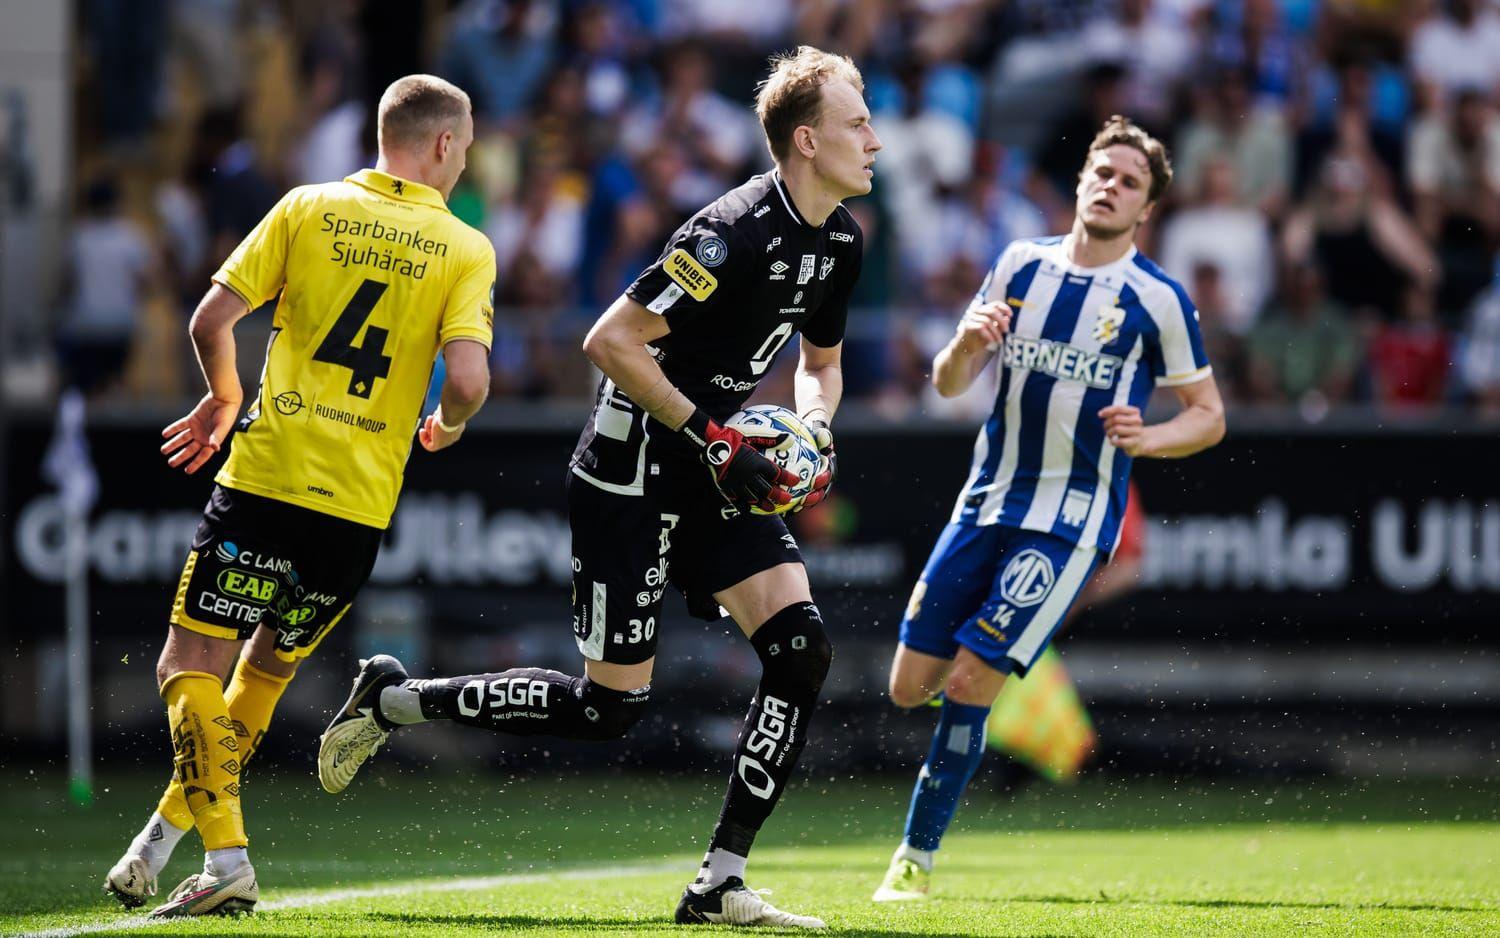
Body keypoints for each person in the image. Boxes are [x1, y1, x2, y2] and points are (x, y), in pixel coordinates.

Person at [318, 46, 878, 930]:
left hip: (717, 469)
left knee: (802, 650)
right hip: (633, 472)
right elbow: (610, 340)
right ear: (806, 141)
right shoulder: (727, 233)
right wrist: (712, 434)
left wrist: (812, 426)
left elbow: (824, 365)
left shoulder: (840, 242)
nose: (874, 140)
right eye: (858, 123)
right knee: (611, 707)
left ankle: (719, 881)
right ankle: (393, 697)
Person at [103, 75, 495, 917]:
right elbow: (468, 378)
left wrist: (221, 395)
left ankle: (228, 860)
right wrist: (449, 424)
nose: (463, 159)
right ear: (440, 144)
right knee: (265, 671)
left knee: (188, 666)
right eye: (463, 145)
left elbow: (211, 320)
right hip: (357, 508)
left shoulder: (307, 207)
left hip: (270, 478)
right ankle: (158, 845)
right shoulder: (465, 248)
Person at [873, 116, 1226, 902]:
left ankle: (913, 860)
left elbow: (1210, 414)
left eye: (1130, 181)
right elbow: (947, 382)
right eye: (1104, 171)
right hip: (984, 502)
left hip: (1071, 523)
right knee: (907, 685)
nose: (1112, 185)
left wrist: (1151, 438)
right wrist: (966, 346)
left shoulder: (1156, 298)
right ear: (1080, 181)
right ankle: (954, 754)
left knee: (970, 679)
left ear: (1147, 209)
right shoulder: (1018, 265)